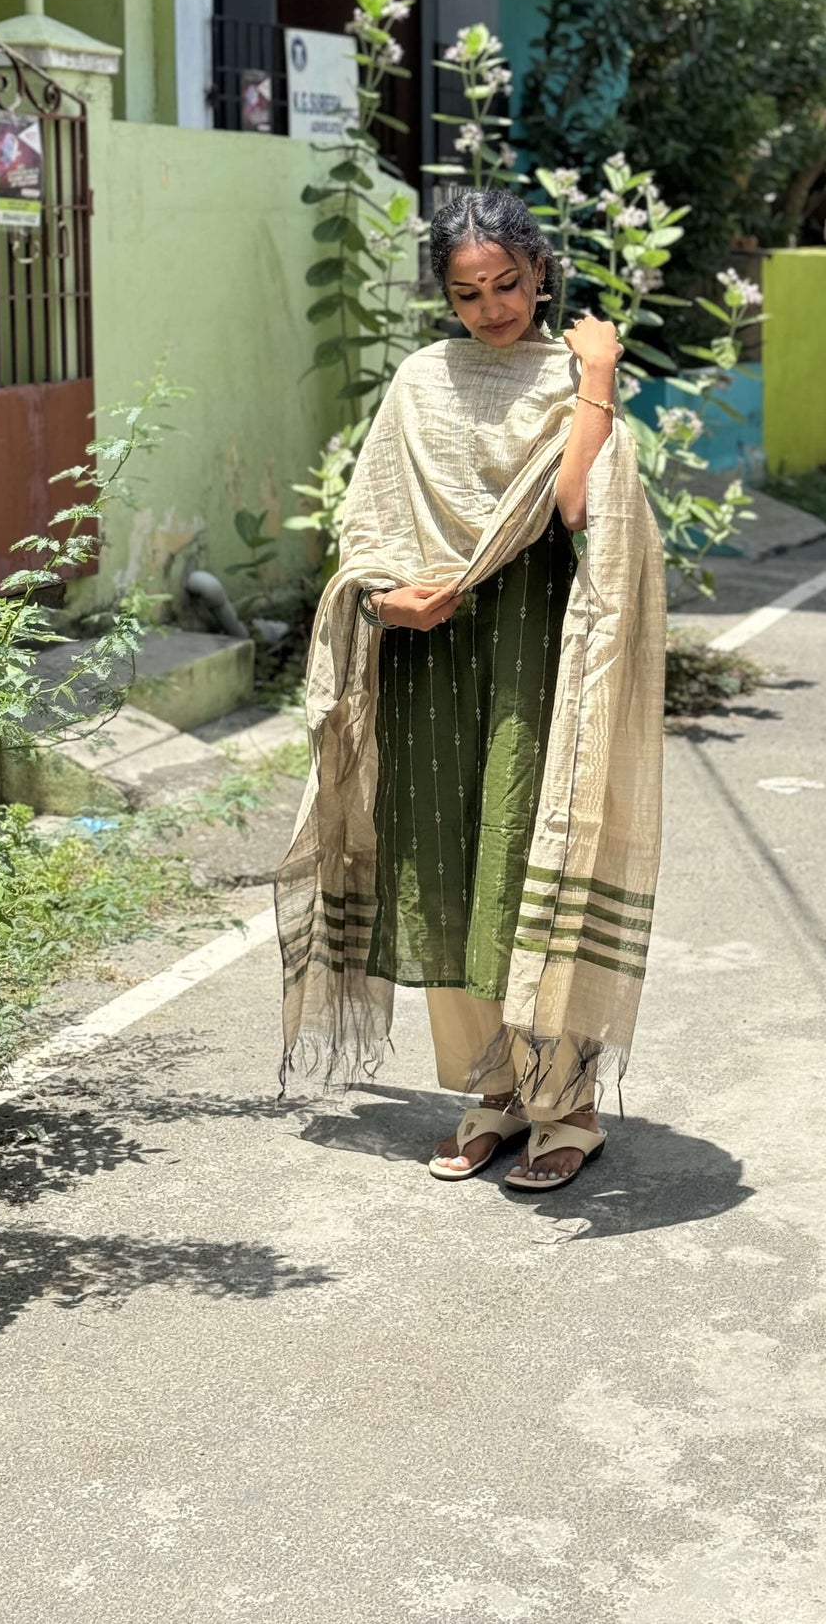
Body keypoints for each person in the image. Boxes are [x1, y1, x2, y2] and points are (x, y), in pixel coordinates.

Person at [275, 190, 666, 1192]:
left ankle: (564, 1103)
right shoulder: (419, 381)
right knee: (441, 866)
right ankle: (492, 1089)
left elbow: (576, 507)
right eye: (466, 291)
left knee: (522, 857)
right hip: (430, 652)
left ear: (538, 272)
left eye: (506, 283)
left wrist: (596, 375)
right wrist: (380, 601)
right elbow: (369, 520)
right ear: (441, 296)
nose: (491, 306)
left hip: (535, 645)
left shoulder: (569, 378)